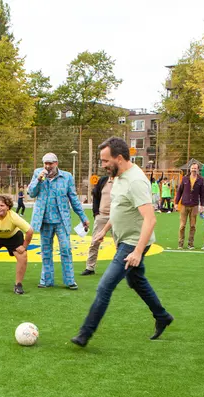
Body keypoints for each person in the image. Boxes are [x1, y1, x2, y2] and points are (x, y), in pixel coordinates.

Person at [71, 137, 173, 347]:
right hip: (123, 240)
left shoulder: (136, 181)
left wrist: (136, 251)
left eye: (105, 160)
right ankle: (162, 316)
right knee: (135, 280)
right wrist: (104, 231)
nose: (103, 165)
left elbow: (150, 219)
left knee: (104, 286)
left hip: (132, 243)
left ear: (119, 158)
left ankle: (85, 333)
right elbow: (119, 209)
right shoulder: (118, 176)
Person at [28, 152, 89, 289]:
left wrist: (83, 217)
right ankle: (46, 280)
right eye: (45, 163)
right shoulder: (38, 173)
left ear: (56, 163)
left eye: (50, 163)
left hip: (61, 220)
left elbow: (73, 199)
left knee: (66, 249)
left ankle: (70, 281)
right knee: (46, 250)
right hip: (44, 220)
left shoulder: (66, 177)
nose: (48, 166)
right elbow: (31, 193)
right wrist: (38, 179)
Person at [82, 173, 113, 276]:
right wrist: (96, 213)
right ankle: (90, 267)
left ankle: (123, 269)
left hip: (117, 218)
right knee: (94, 242)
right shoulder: (103, 180)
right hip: (102, 216)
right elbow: (95, 196)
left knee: (120, 244)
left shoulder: (122, 182)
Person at [175, 162, 204, 250]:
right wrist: (176, 203)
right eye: (192, 168)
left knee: (193, 226)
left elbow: (202, 194)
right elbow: (180, 191)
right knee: (182, 226)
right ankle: (180, 243)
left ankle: (190, 244)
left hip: (194, 205)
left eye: (195, 168)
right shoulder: (185, 178)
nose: (193, 170)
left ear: (198, 170)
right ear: (190, 169)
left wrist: (202, 205)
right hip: (184, 205)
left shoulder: (200, 180)